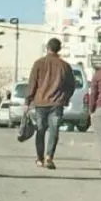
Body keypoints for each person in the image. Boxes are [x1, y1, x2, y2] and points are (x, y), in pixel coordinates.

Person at [25, 38, 75, 170]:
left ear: (47, 47)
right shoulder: (65, 66)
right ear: (59, 49)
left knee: (40, 130)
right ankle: (49, 157)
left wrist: (28, 101)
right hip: (57, 103)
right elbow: (71, 86)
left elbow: (32, 84)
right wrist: (65, 98)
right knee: (54, 131)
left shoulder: (38, 63)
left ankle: (39, 159)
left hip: (40, 102)